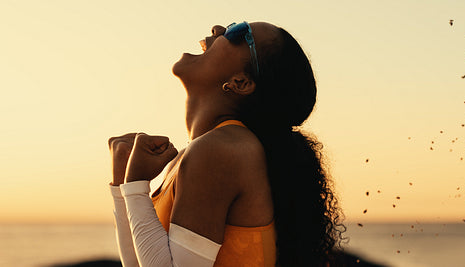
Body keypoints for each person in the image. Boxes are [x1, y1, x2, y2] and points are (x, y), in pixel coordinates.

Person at [108, 22, 344, 266]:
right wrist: (123, 184)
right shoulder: (202, 151)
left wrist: (135, 185)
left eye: (238, 32)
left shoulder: (223, 150)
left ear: (241, 82)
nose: (218, 29)